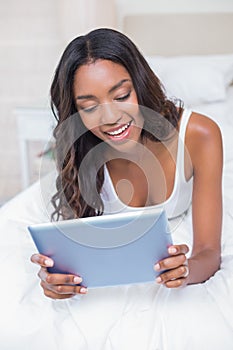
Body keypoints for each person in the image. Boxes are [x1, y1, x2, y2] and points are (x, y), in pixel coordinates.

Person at [1, 28, 233, 349]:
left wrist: (185, 270)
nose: (110, 118)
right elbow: (77, 242)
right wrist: (56, 280)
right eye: (90, 105)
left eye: (121, 96)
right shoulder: (82, 147)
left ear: (140, 85)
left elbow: (209, 252)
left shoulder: (199, 134)